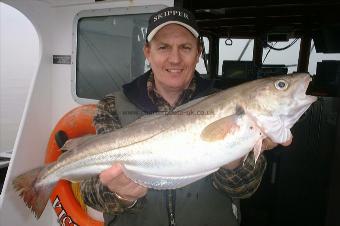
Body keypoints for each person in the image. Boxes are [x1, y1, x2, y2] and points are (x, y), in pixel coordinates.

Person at [80, 6, 290, 226]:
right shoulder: (112, 106)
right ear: (147, 52)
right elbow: (90, 193)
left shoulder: (228, 105)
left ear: (198, 52)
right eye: (163, 47)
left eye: (185, 47)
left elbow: (244, 189)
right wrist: (122, 196)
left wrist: (235, 164)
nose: (175, 59)